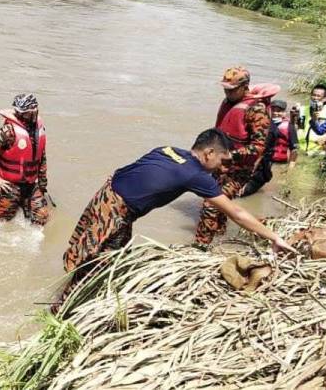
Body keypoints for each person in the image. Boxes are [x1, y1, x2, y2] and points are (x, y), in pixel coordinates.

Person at [59, 129, 296, 308]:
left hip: (106, 195)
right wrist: (274, 237)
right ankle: (62, 311)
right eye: (222, 161)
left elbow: (133, 173)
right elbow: (236, 213)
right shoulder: (196, 174)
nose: (222, 169)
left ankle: (83, 298)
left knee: (98, 256)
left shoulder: (166, 150)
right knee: (94, 267)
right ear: (209, 153)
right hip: (116, 211)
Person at [196, 67, 272, 244]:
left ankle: (200, 246)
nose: (227, 92)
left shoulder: (256, 110)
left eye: (231, 89)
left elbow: (258, 147)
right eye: (225, 88)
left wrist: (231, 155)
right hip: (219, 165)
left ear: (245, 86)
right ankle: (219, 237)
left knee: (211, 204)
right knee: (217, 204)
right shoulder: (228, 102)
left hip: (239, 169)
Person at [0, 93, 49, 225]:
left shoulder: (39, 129)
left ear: (35, 111)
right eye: (21, 113)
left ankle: (25, 202)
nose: (23, 116)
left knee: (42, 218)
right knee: (2, 222)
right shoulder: (7, 131)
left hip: (31, 185)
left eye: (27, 113)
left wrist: (42, 186)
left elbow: (41, 157)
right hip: (9, 185)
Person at [239, 100, 299, 197]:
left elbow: (295, 149)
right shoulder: (263, 124)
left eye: (279, 111)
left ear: (284, 112)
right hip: (267, 161)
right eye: (273, 110)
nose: (276, 113)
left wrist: (290, 169)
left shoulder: (289, 127)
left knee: (276, 189)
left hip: (281, 164)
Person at [303, 84, 326, 155]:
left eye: (318, 96)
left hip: (318, 150)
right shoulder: (302, 109)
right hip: (301, 148)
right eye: (313, 95)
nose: (315, 98)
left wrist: (315, 120)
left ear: (325, 99)